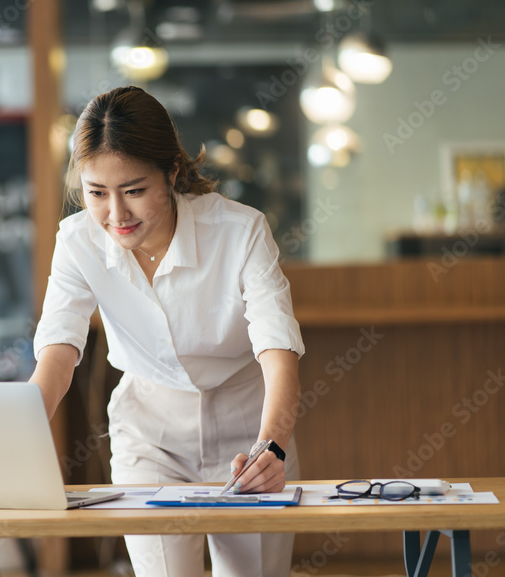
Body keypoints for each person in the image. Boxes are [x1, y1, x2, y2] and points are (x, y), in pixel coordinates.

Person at [29, 86, 304, 577]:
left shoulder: (240, 231)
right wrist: (20, 437)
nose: (116, 214)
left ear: (171, 173)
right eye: (96, 193)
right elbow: (58, 350)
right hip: (149, 433)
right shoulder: (75, 243)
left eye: (133, 190)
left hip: (249, 430)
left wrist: (273, 445)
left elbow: (277, 348)